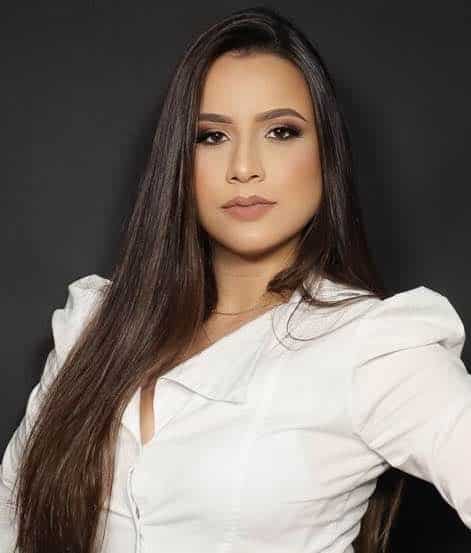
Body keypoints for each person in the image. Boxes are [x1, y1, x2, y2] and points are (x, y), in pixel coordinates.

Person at [1, 5, 470, 553]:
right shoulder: (96, 326)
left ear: (327, 153)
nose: (244, 167)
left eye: (280, 131)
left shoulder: (373, 347)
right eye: (211, 136)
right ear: (179, 160)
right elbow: (12, 519)